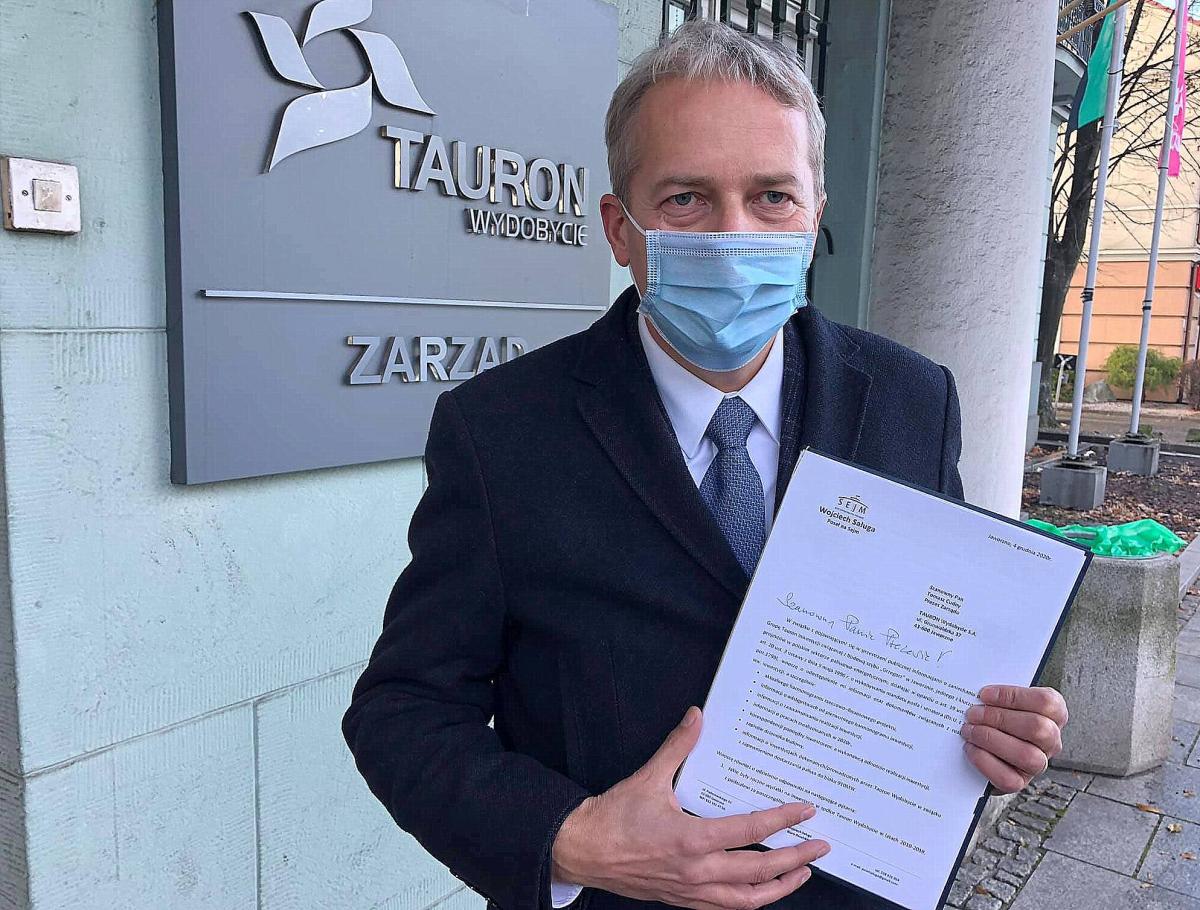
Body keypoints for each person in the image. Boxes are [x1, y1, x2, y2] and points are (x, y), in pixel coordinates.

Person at [342, 19, 1068, 910]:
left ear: (814, 216)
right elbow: (404, 710)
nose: (733, 235)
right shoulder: (501, 432)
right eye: (686, 198)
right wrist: (574, 840)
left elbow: (938, 645)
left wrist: (998, 729)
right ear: (621, 228)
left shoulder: (914, 400)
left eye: (772, 197)